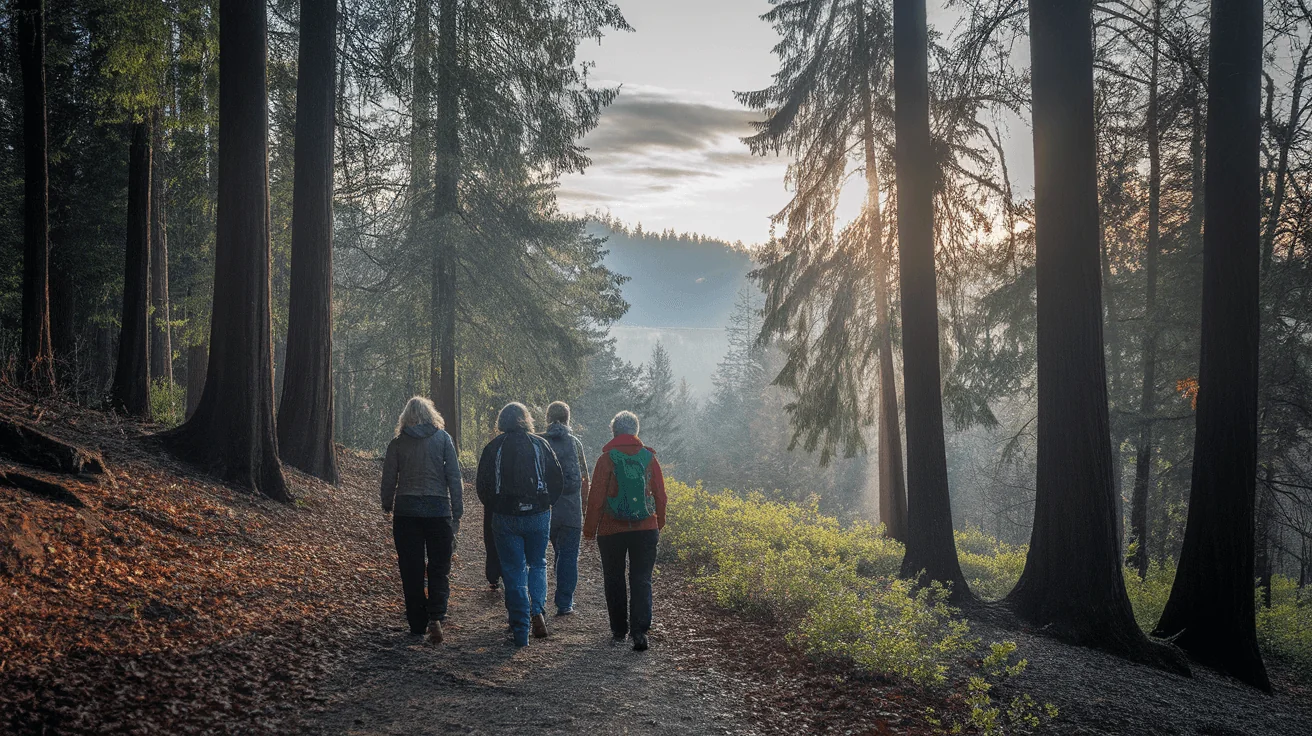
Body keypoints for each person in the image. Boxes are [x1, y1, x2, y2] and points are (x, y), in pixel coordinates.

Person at [476, 402, 564, 647]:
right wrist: (546, 504)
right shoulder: (540, 444)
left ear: (501, 421)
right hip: (538, 514)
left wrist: (495, 507)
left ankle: (520, 628)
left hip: (505, 516)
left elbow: (482, 485)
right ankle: (537, 612)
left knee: (513, 569)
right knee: (537, 564)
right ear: (526, 420)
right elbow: (557, 479)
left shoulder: (494, 447)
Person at [380, 396, 463, 644]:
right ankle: (436, 616)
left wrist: (387, 504)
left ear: (406, 417)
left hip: (406, 513)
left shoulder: (398, 443)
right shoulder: (444, 439)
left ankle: (417, 624)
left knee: (411, 568)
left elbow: (389, 478)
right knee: (439, 565)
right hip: (438, 511)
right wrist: (456, 510)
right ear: (431, 414)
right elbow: (454, 477)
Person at [583, 410, 667, 652]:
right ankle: (639, 631)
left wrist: (589, 530)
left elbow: (596, 498)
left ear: (614, 432)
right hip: (645, 528)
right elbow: (660, 495)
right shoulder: (648, 458)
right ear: (635, 432)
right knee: (641, 579)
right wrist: (657, 523)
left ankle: (619, 629)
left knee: (614, 578)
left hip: (611, 530)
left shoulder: (606, 459)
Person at [540, 401, 590, 616]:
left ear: (547, 418)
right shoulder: (575, 443)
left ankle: (537, 603)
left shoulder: (539, 441)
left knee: (537, 558)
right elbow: (584, 477)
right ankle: (564, 603)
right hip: (570, 510)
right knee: (568, 555)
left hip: (543, 508)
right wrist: (585, 508)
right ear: (568, 419)